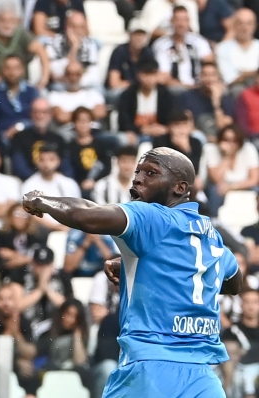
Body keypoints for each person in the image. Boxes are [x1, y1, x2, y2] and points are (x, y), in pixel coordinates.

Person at [22, 146, 242, 397]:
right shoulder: (211, 237)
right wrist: (151, 267)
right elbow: (234, 284)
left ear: (179, 188)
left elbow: (86, 215)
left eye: (151, 172)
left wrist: (41, 200)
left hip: (149, 373)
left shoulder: (153, 217)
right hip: (203, 379)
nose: (138, 177)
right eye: (138, 171)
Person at [203, 124, 259, 217]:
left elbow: (254, 180)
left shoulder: (248, 149)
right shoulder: (212, 150)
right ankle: (214, 220)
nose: (231, 144)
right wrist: (227, 157)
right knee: (215, 190)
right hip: (222, 187)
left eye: (234, 140)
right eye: (226, 140)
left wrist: (232, 187)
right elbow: (216, 179)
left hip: (243, 185)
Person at [10, 98, 66, 181]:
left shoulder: (58, 139)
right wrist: (39, 181)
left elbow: (65, 167)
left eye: (44, 112)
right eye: (36, 112)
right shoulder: (19, 137)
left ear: (50, 115)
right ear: (31, 114)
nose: (40, 116)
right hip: (28, 183)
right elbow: (19, 167)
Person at [0, 203, 47, 284]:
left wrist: (14, 256)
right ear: (10, 216)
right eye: (17, 213)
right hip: (8, 275)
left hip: (31, 275)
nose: (21, 217)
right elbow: (4, 262)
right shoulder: (0, 236)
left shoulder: (35, 237)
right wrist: (29, 258)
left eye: (24, 214)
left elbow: (41, 258)